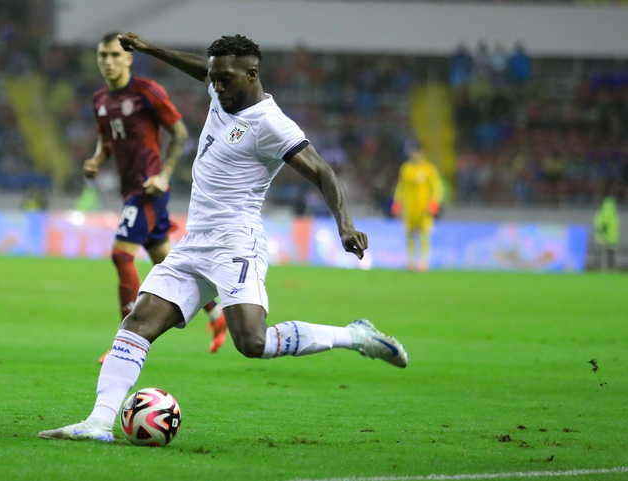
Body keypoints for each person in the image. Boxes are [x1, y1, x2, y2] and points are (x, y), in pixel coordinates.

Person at [39, 33, 407, 443]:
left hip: (236, 243)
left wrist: (345, 225)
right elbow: (204, 69)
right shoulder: (222, 90)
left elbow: (322, 171)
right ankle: (98, 423)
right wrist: (152, 50)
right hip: (195, 240)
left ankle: (354, 336)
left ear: (252, 75)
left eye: (225, 79)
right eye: (213, 78)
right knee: (138, 322)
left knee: (252, 341)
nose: (215, 86)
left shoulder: (270, 124)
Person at [85, 32, 228, 361]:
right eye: (103, 55)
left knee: (121, 256)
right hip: (129, 190)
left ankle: (124, 340)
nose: (108, 61)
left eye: (115, 55)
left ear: (128, 58)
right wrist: (96, 159)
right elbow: (107, 139)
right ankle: (216, 314)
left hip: (148, 190)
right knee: (166, 260)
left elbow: (179, 132)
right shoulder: (100, 100)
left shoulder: (147, 91)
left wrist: (164, 174)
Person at [392, 148, 444, 272]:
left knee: (424, 234)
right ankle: (410, 261)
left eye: (418, 153)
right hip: (409, 208)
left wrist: (435, 202)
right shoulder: (406, 168)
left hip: (424, 208)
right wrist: (397, 202)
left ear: (423, 154)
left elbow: (436, 187)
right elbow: (401, 186)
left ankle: (423, 261)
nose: (416, 155)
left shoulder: (429, 169)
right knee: (409, 234)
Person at [594, 195, 619, 271]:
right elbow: (615, 227)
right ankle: (611, 268)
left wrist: (602, 234)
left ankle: (598, 267)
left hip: (602, 237)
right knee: (610, 255)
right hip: (612, 238)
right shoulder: (614, 214)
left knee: (600, 254)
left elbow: (599, 224)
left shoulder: (601, 213)